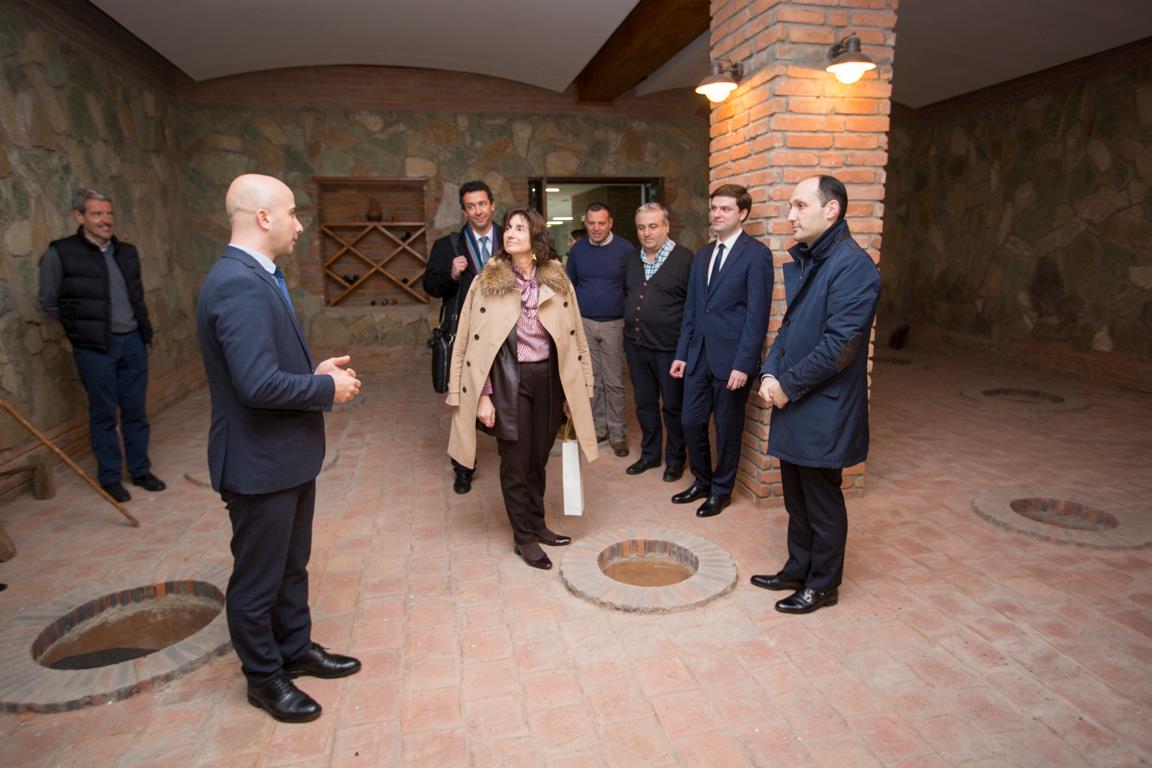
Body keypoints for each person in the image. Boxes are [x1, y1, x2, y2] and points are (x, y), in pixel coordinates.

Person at [196, 174, 363, 723]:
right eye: (292, 213)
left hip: (284, 457)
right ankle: (264, 677)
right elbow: (256, 385)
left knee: (292, 566)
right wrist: (325, 389)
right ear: (263, 217)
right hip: (258, 463)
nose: (299, 224)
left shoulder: (259, 274)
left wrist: (313, 372)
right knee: (258, 580)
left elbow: (264, 367)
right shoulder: (236, 283)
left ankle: (294, 648)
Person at [753, 175, 881, 615]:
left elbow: (839, 346)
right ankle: (798, 568)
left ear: (831, 210)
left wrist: (786, 385)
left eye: (800, 206)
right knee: (797, 496)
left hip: (823, 408)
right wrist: (770, 371)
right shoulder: (817, 258)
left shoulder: (853, 266)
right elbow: (789, 329)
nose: (790, 215)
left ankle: (823, 585)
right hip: (798, 401)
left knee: (821, 500)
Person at [447, 208, 598, 571]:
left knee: (537, 460)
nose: (510, 233)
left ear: (536, 238)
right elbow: (470, 341)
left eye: (520, 228)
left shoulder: (557, 279)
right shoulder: (486, 281)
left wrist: (575, 390)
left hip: (548, 379)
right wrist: (483, 395)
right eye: (509, 228)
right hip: (505, 379)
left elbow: (575, 335)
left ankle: (537, 523)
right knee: (515, 462)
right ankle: (523, 537)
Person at [38, 188, 165, 502]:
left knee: (136, 411)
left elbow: (135, 297)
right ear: (79, 216)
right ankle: (110, 477)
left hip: (133, 342)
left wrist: (142, 333)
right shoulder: (60, 253)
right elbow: (49, 301)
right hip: (95, 348)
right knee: (104, 413)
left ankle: (140, 470)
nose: (105, 220)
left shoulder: (127, 252)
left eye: (109, 213)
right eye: (97, 214)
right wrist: (79, 329)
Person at [671, 184, 772, 517]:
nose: (716, 214)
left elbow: (757, 317)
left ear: (742, 213)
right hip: (698, 356)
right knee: (690, 422)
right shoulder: (703, 255)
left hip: (732, 362)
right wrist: (682, 354)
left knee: (727, 431)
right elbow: (692, 310)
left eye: (725, 209)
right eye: (714, 208)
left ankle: (721, 490)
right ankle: (702, 480)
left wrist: (744, 364)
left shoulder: (756, 255)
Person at [423, 181, 502, 495]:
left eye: (482, 204)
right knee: (464, 402)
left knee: (506, 394)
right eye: (471, 206)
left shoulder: (510, 239)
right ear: (464, 211)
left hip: (505, 333)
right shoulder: (448, 245)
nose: (478, 211)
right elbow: (430, 286)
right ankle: (463, 468)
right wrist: (451, 274)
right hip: (465, 335)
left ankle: (511, 454)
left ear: (492, 205)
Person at [622, 203, 695, 482]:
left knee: (673, 407)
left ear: (666, 226)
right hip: (636, 345)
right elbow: (627, 293)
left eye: (653, 226)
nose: (647, 233)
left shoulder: (685, 260)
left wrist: (685, 352)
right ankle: (650, 454)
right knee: (644, 404)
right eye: (641, 227)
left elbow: (693, 309)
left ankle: (675, 460)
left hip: (670, 350)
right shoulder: (632, 258)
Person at [565, 203, 632, 458]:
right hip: (584, 323)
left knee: (613, 380)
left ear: (610, 223)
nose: (596, 228)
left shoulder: (625, 249)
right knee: (592, 379)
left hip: (614, 324)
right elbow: (570, 285)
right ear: (586, 223)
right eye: (591, 223)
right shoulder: (578, 250)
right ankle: (599, 427)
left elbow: (631, 286)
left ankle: (617, 433)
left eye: (601, 223)